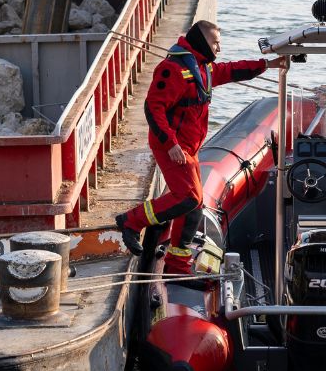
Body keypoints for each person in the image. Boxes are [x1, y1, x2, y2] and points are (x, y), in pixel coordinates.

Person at [115, 21, 285, 273]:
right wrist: (170, 144)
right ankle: (131, 221)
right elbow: (153, 108)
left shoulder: (202, 69)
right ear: (202, 41)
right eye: (215, 42)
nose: (219, 47)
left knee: (195, 204)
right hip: (172, 147)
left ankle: (177, 262)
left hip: (189, 147)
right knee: (188, 197)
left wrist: (268, 65)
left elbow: (232, 70)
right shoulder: (172, 69)